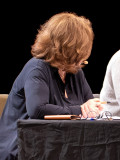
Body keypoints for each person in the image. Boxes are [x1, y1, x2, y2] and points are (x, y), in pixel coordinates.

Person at [0, 12, 103, 160]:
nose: (82, 60)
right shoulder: (37, 68)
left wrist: (93, 109)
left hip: (59, 145)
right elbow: (37, 109)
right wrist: (80, 109)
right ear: (68, 49)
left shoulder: (75, 71)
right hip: (24, 146)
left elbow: (89, 104)